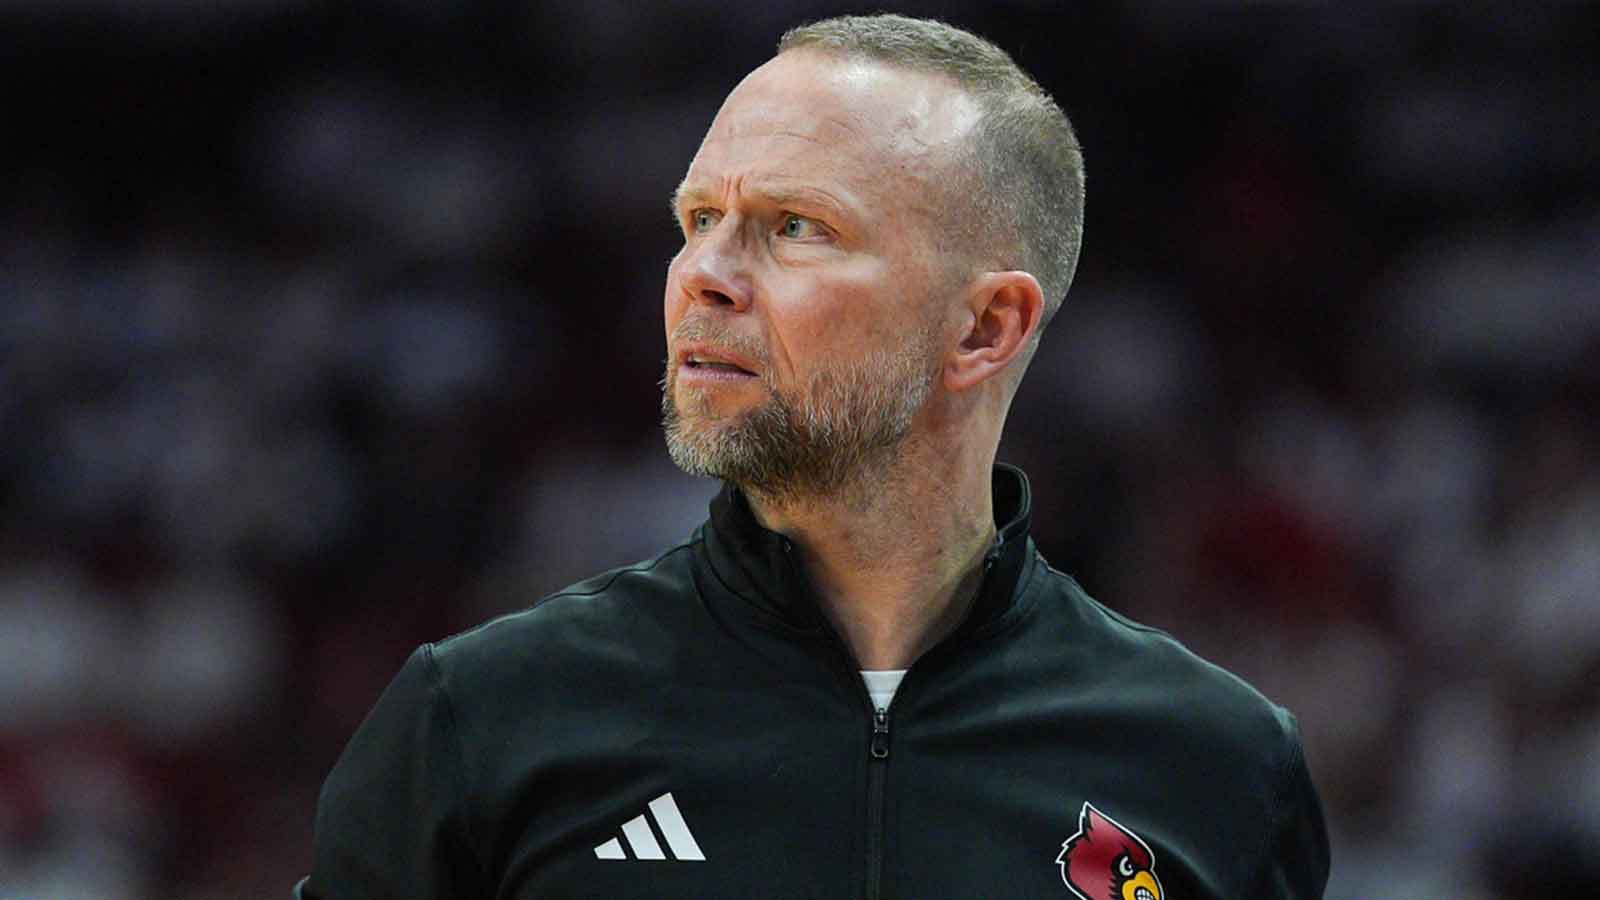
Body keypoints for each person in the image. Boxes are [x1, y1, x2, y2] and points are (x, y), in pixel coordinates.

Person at [297, 14, 1329, 900]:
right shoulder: (483, 720)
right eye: (700, 219)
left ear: (984, 328)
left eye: (795, 226)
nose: (703, 274)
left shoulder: (1219, 763)